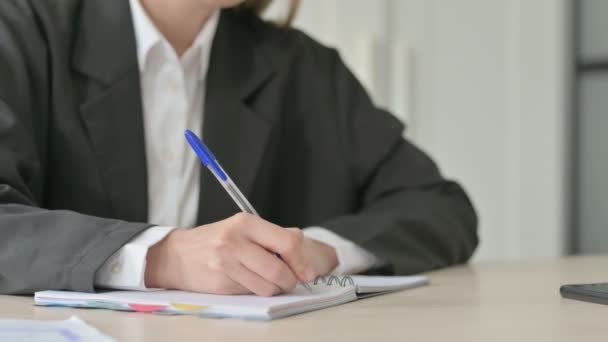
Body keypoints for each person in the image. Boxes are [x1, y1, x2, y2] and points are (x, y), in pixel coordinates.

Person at [0, 0, 478, 296]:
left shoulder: (302, 67)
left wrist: (322, 250)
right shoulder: (21, 33)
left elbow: (440, 207)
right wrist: (163, 257)